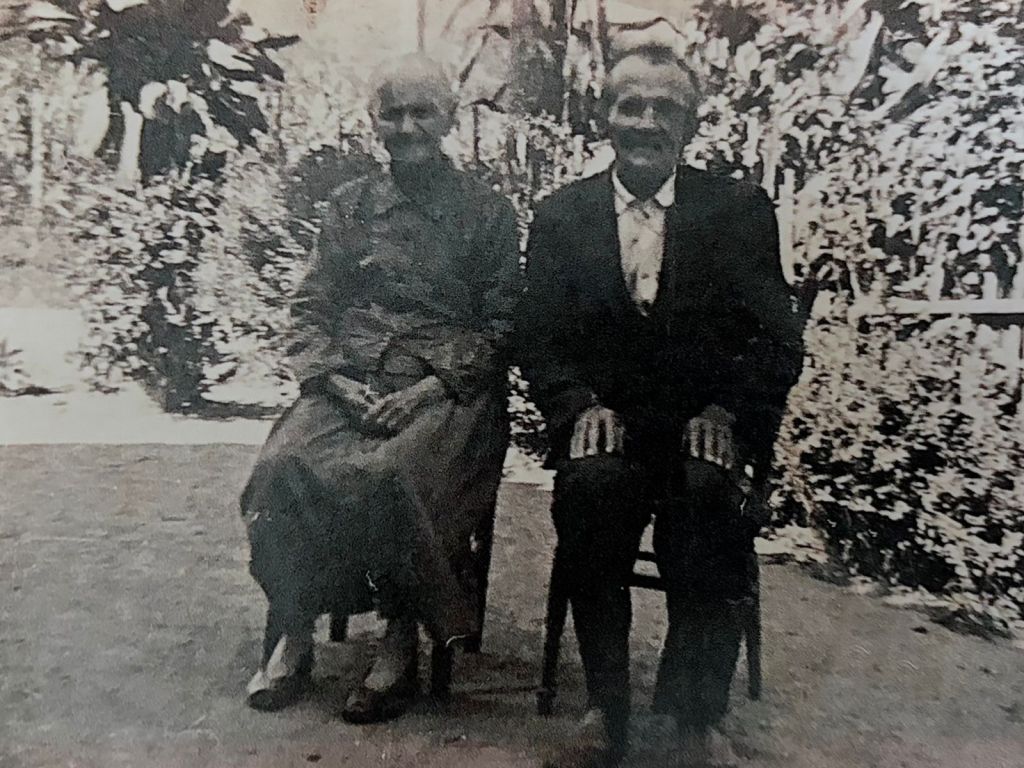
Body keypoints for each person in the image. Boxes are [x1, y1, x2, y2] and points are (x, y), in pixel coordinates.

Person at [518, 52, 807, 768]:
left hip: (700, 428)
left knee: (709, 498)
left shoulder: (737, 211)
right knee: (589, 488)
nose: (647, 122)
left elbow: (776, 341)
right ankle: (604, 709)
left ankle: (691, 716)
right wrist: (578, 406)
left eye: (666, 108)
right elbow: (540, 336)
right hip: (609, 425)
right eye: (631, 105)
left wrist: (727, 412)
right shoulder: (562, 216)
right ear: (604, 116)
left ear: (692, 123)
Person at [239, 53, 520, 723]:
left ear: (449, 119)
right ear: (375, 123)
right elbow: (312, 305)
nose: (407, 126)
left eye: (422, 111)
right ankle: (294, 631)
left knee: (392, 474)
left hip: (449, 390)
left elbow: (503, 322)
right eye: (392, 114)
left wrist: (429, 389)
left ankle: (399, 642)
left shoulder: (487, 212)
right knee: (280, 467)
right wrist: (334, 381)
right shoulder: (349, 205)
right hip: (352, 380)